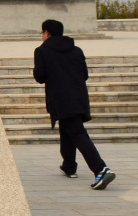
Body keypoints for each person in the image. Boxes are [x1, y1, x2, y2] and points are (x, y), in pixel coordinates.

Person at [34, 18, 114, 190]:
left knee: (77, 133)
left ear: (47, 33)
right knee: (68, 129)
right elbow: (84, 74)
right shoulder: (76, 50)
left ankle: (101, 169)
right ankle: (69, 166)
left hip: (60, 100)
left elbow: (39, 77)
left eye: (42, 33)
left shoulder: (42, 51)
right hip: (78, 98)